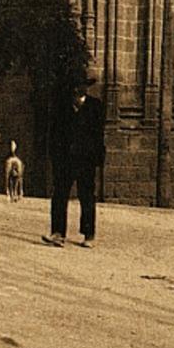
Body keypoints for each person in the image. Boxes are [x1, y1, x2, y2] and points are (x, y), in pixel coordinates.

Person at [42, 69, 105, 248]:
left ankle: (88, 235)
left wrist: (98, 159)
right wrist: (54, 157)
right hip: (65, 160)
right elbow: (54, 134)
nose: (79, 89)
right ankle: (58, 233)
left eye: (83, 86)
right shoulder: (62, 107)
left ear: (87, 88)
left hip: (86, 161)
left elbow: (98, 135)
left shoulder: (95, 106)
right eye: (76, 86)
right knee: (60, 194)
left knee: (86, 196)